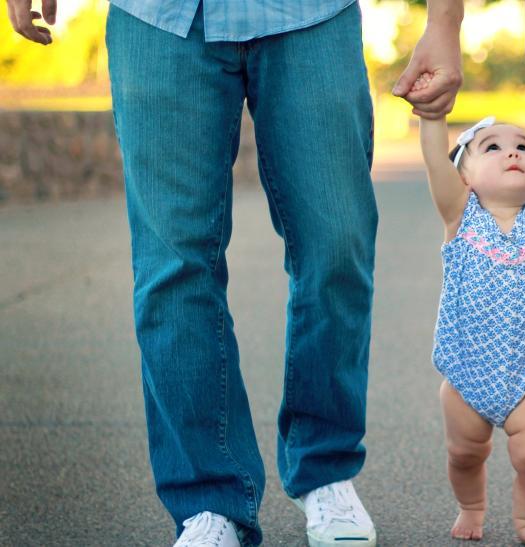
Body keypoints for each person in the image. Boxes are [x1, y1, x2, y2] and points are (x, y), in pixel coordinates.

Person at [5, 0, 461, 545]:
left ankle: (326, 469)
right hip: (159, 18)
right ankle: (208, 499)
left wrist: (445, 21)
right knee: (172, 267)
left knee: (337, 245)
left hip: (311, 15)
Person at [415, 70, 525, 546]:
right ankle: (471, 505)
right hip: (466, 374)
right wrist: (432, 115)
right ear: (465, 177)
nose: (513, 153)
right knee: (465, 454)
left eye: (524, 147)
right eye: (492, 147)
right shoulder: (460, 217)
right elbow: (434, 159)